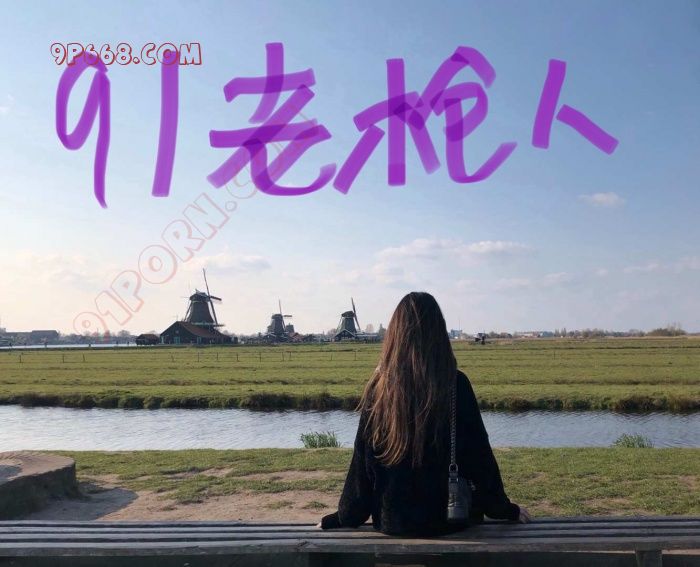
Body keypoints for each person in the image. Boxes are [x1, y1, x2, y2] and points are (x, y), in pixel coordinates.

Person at [319, 291, 531, 536]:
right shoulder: (456, 384)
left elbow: (363, 464)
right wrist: (504, 509)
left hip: (394, 522)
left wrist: (344, 517)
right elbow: (479, 458)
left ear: (395, 335)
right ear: (439, 332)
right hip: (450, 520)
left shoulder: (381, 388)